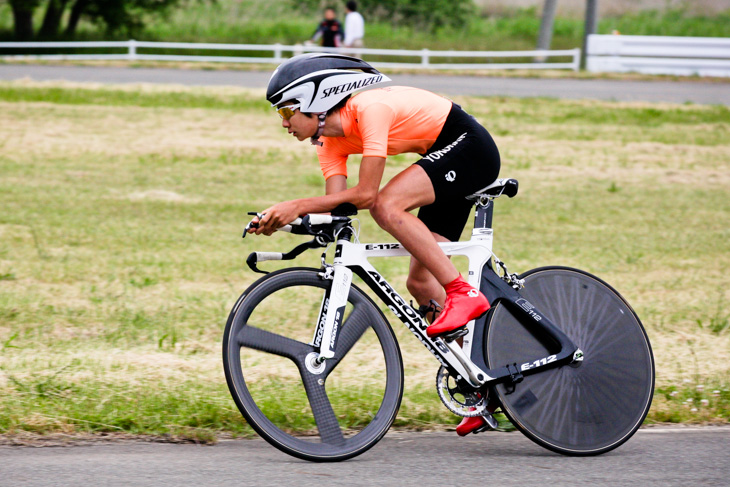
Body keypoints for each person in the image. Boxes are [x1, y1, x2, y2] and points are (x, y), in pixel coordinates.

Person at [251, 53, 501, 436]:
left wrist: (296, 205)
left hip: (469, 147)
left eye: (287, 112)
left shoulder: (370, 108)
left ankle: (463, 292)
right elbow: (338, 211)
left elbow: (366, 196)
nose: (283, 123)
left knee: (387, 204)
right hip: (440, 163)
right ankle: (479, 386)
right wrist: (286, 222)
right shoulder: (329, 143)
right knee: (419, 284)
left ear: (314, 103)